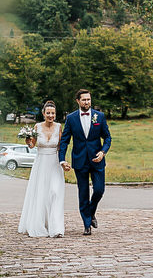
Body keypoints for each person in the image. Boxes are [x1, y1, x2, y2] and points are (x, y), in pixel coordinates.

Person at [58, 89, 112, 235]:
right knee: (83, 193)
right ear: (78, 101)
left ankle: (90, 211)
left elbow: (107, 137)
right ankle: (87, 224)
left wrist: (103, 151)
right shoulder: (71, 118)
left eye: (88, 99)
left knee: (99, 190)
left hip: (97, 159)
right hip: (80, 160)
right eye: (84, 100)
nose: (87, 102)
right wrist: (62, 159)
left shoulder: (99, 116)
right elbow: (64, 141)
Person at [18, 100, 65, 238]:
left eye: (53, 113)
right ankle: (38, 224)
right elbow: (32, 145)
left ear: (55, 114)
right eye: (48, 113)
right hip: (41, 163)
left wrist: (63, 162)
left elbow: (61, 147)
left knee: (55, 193)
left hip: (55, 164)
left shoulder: (58, 127)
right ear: (43, 113)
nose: (51, 115)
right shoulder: (37, 127)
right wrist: (28, 141)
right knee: (41, 194)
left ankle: (56, 228)